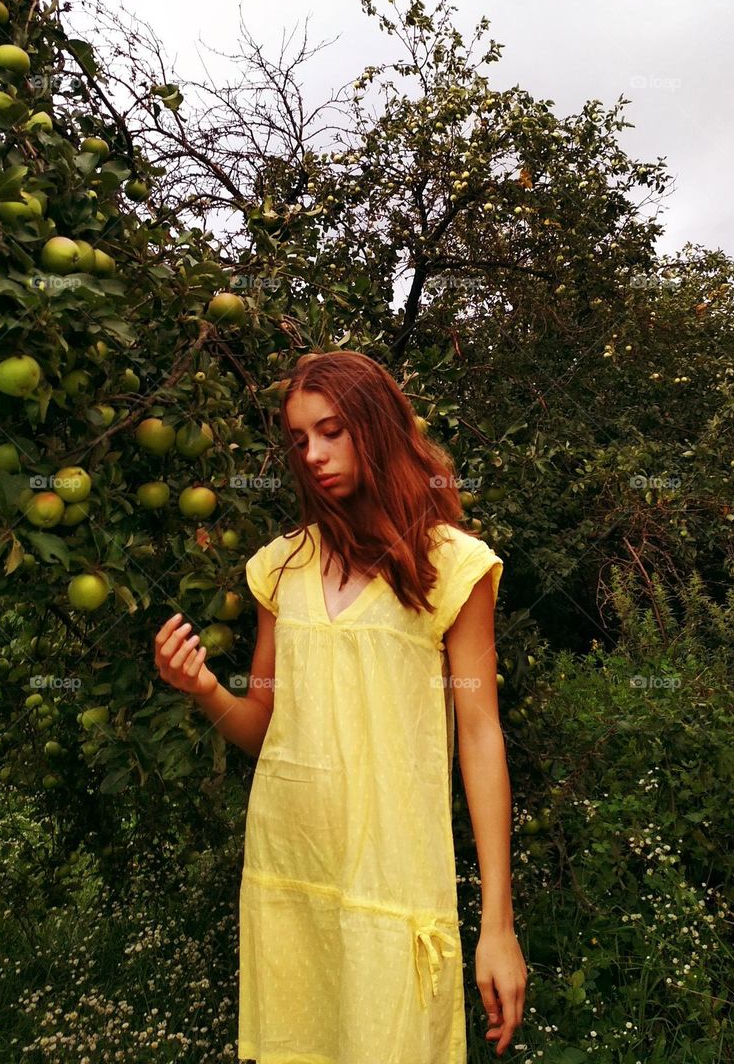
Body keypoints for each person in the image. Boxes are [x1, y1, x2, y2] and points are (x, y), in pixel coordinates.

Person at [154, 350, 527, 1063]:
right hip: (291, 883)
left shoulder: (454, 565)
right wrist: (204, 689)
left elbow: (480, 738)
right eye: (299, 440)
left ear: (376, 428)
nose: (314, 455)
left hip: (394, 891)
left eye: (331, 431)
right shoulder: (280, 567)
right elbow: (263, 729)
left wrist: (497, 925)